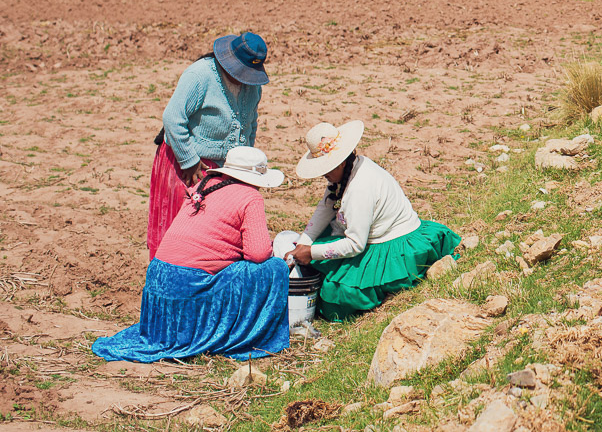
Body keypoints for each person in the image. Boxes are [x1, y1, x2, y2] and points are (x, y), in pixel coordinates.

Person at [94, 147, 289, 361]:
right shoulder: (250, 197)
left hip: (158, 280)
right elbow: (258, 254)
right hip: (189, 287)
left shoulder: (204, 186)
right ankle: (251, 336)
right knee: (275, 269)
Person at [284, 120, 460, 321]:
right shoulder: (346, 172)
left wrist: (311, 252)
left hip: (393, 246)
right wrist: (304, 242)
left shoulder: (359, 187)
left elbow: (356, 244)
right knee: (319, 255)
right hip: (371, 236)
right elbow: (325, 207)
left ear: (340, 162)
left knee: (337, 293)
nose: (324, 175)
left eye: (326, 169)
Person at [149, 32, 268, 259]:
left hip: (223, 170)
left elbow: (250, 124)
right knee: (181, 228)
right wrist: (190, 162)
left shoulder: (253, 88)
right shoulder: (200, 75)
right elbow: (173, 118)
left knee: (211, 235)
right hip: (186, 164)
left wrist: (243, 168)